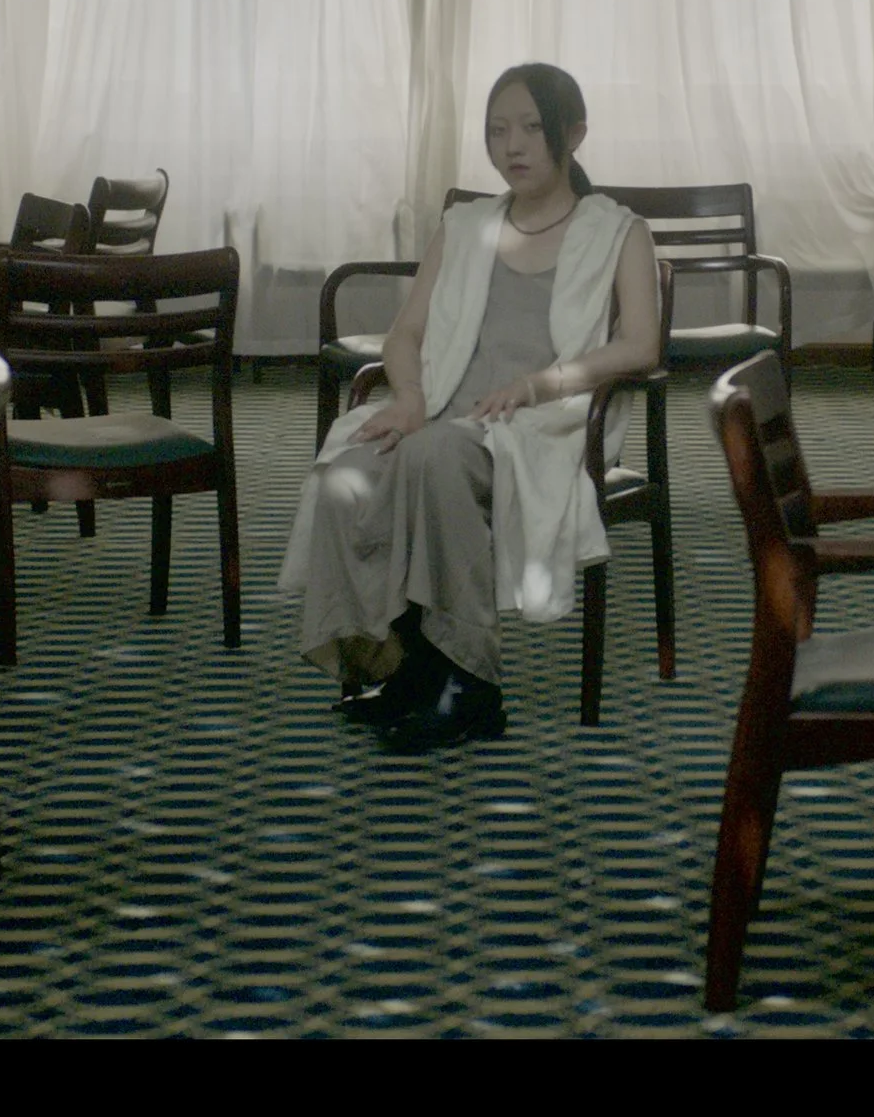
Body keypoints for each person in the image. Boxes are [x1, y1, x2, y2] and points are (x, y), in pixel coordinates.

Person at [279, 64, 661, 752]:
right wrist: (412, 397)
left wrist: (543, 383)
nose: (510, 145)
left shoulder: (619, 231)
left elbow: (640, 345)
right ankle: (397, 664)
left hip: (541, 426)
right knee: (346, 470)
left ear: (572, 133)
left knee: (433, 455)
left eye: (529, 128)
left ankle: (469, 683)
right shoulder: (465, 225)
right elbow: (407, 334)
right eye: (495, 130)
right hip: (445, 413)